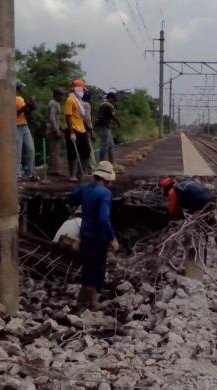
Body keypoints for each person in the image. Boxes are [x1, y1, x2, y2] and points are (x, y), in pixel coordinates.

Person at [66, 161, 120, 311]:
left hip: (85, 234)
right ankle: (91, 304)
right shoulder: (105, 194)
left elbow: (69, 201)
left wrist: (73, 214)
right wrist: (112, 238)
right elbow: (104, 218)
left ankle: (83, 303)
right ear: (107, 179)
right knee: (97, 270)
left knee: (88, 268)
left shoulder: (84, 188)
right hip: (98, 238)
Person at [64, 80, 93, 182]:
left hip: (82, 129)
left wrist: (88, 130)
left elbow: (82, 117)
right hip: (73, 129)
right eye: (82, 90)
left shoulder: (79, 101)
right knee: (72, 153)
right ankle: (72, 175)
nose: (84, 92)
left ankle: (81, 172)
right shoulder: (70, 100)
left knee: (86, 150)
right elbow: (68, 116)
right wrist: (71, 132)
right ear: (77, 89)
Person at [15, 79, 38, 181]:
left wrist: (31, 106)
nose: (23, 89)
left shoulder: (21, 98)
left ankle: (29, 171)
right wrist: (27, 105)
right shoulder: (11, 99)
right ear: (18, 88)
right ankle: (17, 173)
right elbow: (16, 112)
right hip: (16, 126)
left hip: (24, 125)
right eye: (22, 87)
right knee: (17, 151)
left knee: (30, 149)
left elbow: (24, 113)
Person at [95, 92, 121, 164]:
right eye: (114, 100)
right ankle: (101, 163)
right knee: (105, 145)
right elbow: (113, 116)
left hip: (103, 127)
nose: (114, 102)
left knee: (110, 146)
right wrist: (118, 122)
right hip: (105, 127)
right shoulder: (108, 105)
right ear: (110, 98)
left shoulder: (102, 104)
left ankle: (111, 163)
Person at [46, 89, 66, 176]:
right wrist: (56, 130)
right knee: (54, 150)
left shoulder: (56, 103)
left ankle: (54, 169)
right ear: (56, 95)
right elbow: (52, 117)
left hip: (54, 128)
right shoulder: (53, 103)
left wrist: (61, 127)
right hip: (52, 130)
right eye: (61, 95)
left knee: (56, 149)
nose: (62, 97)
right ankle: (54, 170)